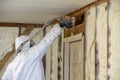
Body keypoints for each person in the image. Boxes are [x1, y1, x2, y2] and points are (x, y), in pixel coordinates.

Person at [1, 19, 72, 80]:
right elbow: (45, 42)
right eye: (31, 43)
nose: (33, 44)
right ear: (26, 44)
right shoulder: (30, 54)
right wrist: (59, 26)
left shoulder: (13, 64)